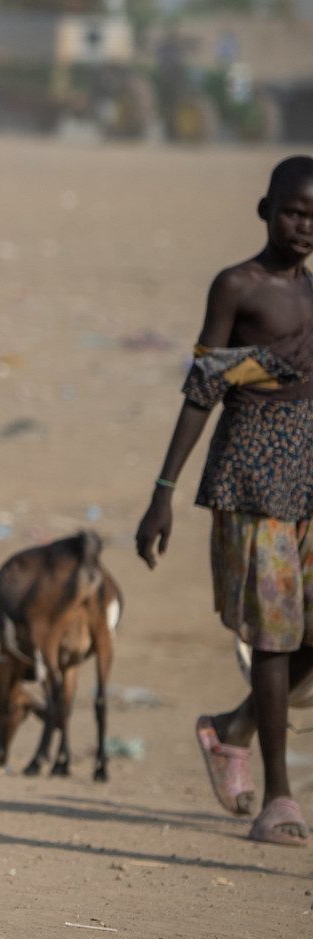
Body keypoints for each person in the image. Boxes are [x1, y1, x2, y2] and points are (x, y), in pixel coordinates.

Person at [136, 155, 313, 847]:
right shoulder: (239, 286)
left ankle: (232, 727)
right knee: (272, 635)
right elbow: (202, 389)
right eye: (294, 210)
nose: (303, 225)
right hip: (250, 474)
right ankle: (279, 796)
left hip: (307, 475)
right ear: (265, 208)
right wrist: (163, 493)